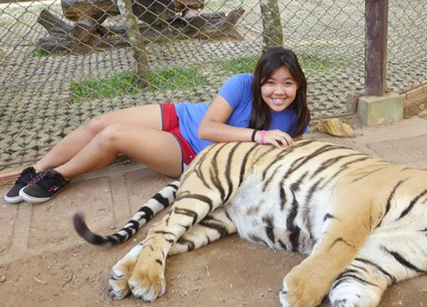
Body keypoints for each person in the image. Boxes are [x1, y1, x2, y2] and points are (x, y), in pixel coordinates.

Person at [4, 46, 310, 204]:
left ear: (298, 85)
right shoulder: (242, 83)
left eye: (287, 83)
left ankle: (58, 176)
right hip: (182, 117)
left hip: (189, 152)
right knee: (99, 122)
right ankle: (35, 169)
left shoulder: (297, 121)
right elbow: (207, 126)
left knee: (113, 135)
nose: (278, 91)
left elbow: (206, 141)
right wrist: (260, 135)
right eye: (270, 82)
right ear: (259, 81)